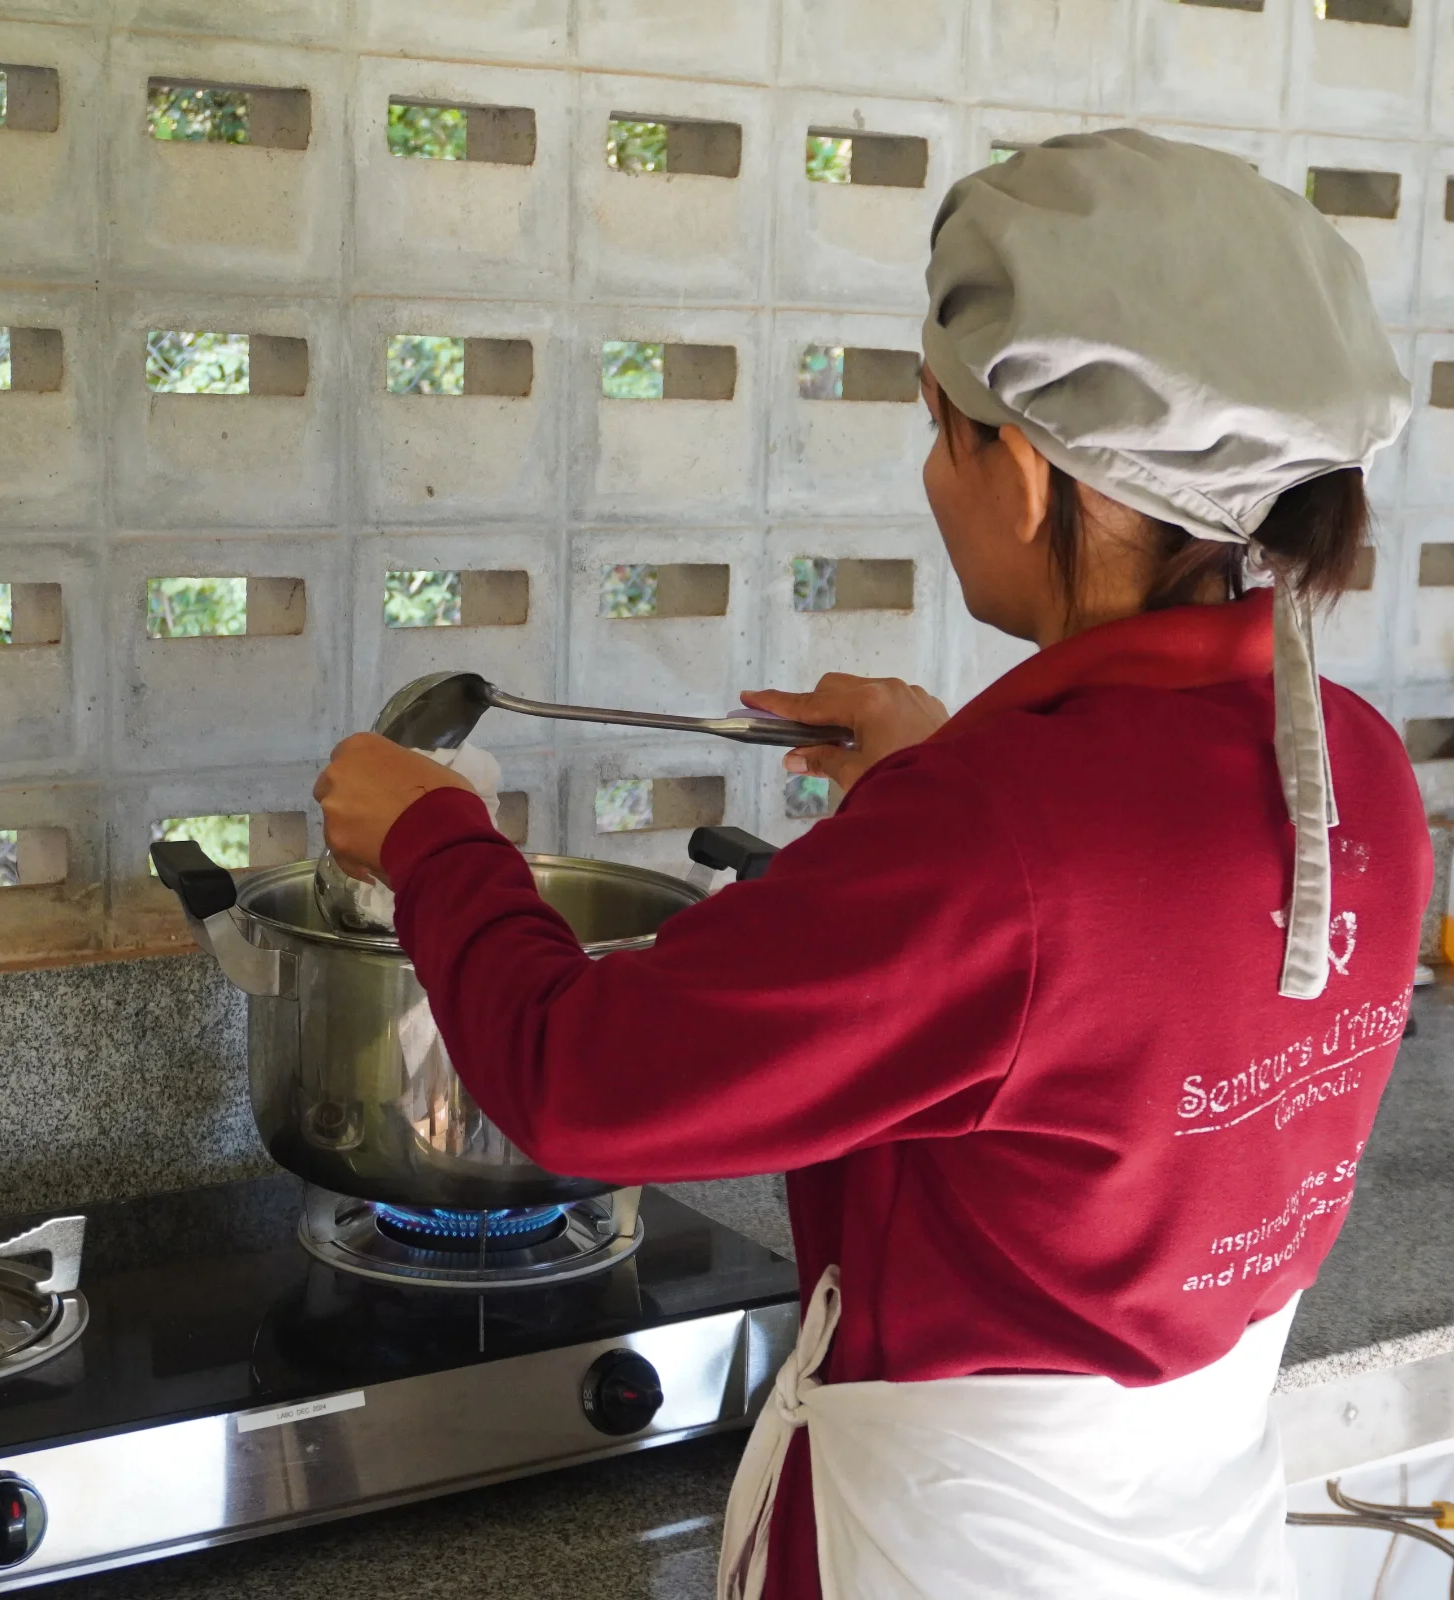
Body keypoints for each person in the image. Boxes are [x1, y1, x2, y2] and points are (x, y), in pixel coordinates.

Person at [314, 131, 1430, 1600]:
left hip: (947, 1549)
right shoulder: (1358, 765)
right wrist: (934, 776)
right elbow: (1112, 990)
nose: (934, 473)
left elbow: (573, 1074)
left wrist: (430, 836)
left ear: (1030, 474)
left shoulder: (1008, 836)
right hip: (1200, 1535)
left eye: (944, 428)